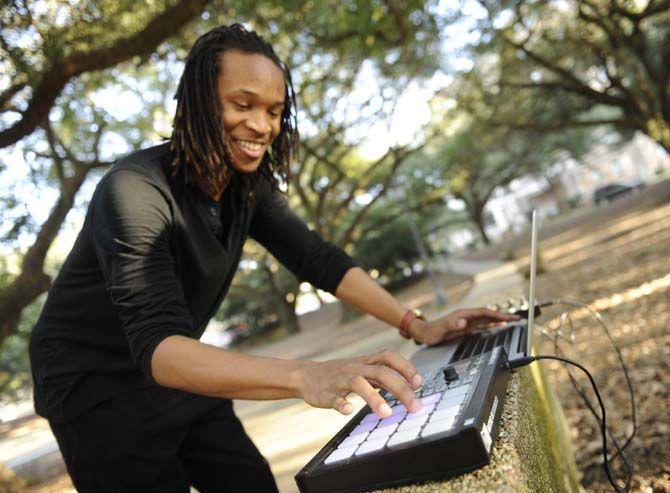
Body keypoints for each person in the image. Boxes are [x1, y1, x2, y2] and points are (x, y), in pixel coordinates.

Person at [28, 24, 517, 493]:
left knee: (249, 482)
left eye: (274, 111)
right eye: (243, 104)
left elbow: (317, 259)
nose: (262, 126)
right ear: (199, 101)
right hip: (94, 388)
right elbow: (158, 345)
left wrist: (417, 325)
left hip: (182, 367)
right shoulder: (133, 190)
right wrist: (308, 374)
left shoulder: (247, 188)